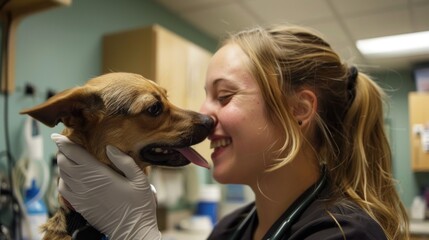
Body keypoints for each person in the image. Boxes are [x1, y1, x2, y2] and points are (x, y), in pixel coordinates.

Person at [53, 24, 409, 240]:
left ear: (298, 111)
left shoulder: (345, 234)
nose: (205, 115)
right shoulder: (230, 229)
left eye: (224, 96)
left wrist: (136, 233)